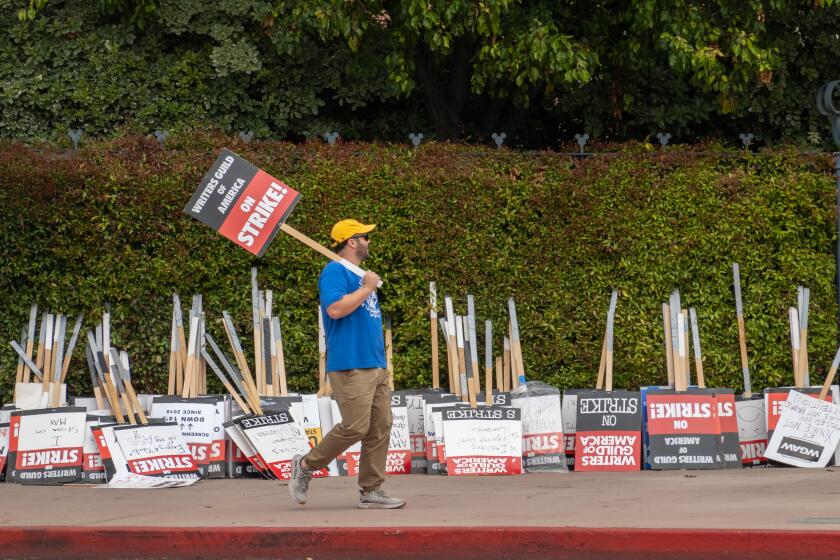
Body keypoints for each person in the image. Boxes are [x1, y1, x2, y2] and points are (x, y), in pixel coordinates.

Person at [288, 219, 405, 509]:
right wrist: (366, 288)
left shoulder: (359, 274)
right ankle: (305, 465)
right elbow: (335, 309)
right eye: (364, 237)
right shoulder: (335, 272)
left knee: (380, 427)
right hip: (350, 364)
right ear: (352, 242)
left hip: (374, 363)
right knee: (355, 426)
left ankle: (371, 491)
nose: (368, 241)